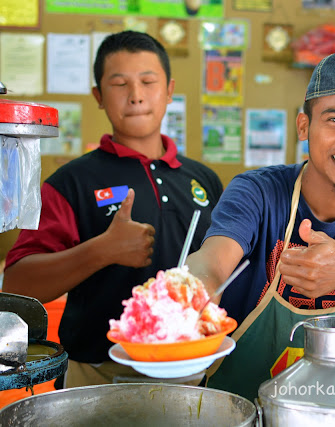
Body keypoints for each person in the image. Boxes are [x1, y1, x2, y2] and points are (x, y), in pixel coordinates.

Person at [186, 51, 335, 400]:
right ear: (303, 126)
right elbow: (213, 261)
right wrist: (189, 291)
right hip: (238, 408)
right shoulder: (257, 191)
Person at [3, 31, 223, 388]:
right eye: (119, 84)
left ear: (169, 90)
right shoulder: (71, 182)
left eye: (148, 82)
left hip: (194, 368)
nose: (136, 96)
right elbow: (17, 284)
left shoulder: (204, 180)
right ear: (98, 96)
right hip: (97, 374)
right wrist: (101, 251)